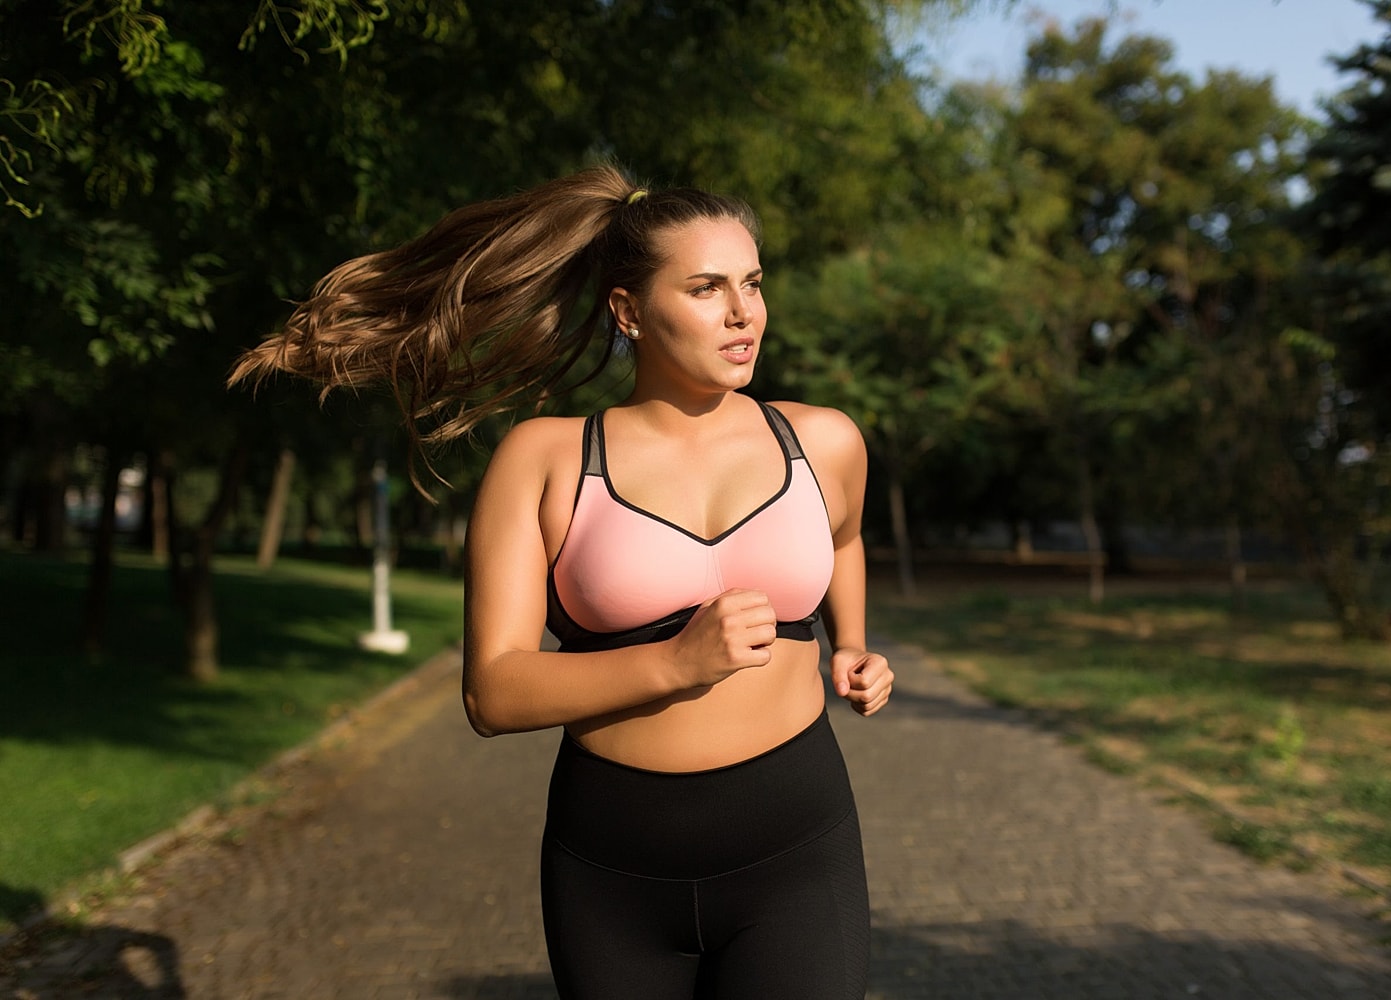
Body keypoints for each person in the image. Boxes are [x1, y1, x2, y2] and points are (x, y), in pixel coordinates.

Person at [231, 163, 894, 999]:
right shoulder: (544, 461)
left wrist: (854, 644)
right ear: (627, 311)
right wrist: (676, 664)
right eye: (705, 288)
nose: (743, 313)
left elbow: (845, 536)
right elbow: (493, 695)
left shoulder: (824, 441)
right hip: (613, 877)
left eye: (753, 284)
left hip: (798, 853)